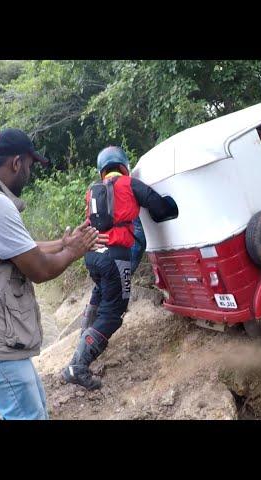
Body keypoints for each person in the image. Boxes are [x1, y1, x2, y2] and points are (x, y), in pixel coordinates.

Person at [0, 128, 104, 420]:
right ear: (16, 163)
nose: (29, 173)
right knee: (29, 415)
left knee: (35, 406)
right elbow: (39, 269)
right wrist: (73, 252)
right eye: (29, 165)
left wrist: (62, 244)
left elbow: (17, 247)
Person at [62, 146, 178, 390]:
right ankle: (78, 365)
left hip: (92, 254)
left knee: (100, 295)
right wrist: (174, 205)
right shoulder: (130, 184)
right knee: (114, 313)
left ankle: (82, 348)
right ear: (124, 165)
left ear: (102, 170)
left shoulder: (92, 191)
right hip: (115, 257)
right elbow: (159, 208)